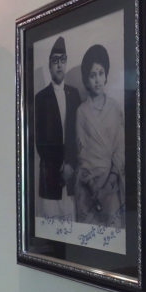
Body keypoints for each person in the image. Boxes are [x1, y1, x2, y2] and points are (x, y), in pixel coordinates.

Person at [75, 44, 125, 228]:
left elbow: (120, 150)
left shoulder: (115, 108)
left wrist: (107, 187)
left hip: (112, 187)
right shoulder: (82, 112)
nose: (97, 79)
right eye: (92, 75)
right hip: (89, 190)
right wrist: (95, 189)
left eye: (101, 73)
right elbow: (81, 155)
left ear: (106, 75)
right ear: (86, 79)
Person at [35, 36, 81, 220]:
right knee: (50, 225)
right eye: (55, 61)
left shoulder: (74, 94)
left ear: (66, 62)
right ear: (49, 65)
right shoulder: (41, 98)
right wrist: (60, 167)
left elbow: (78, 135)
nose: (59, 65)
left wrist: (70, 165)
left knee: (71, 224)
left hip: (70, 177)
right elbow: (40, 142)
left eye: (62, 60)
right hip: (50, 175)